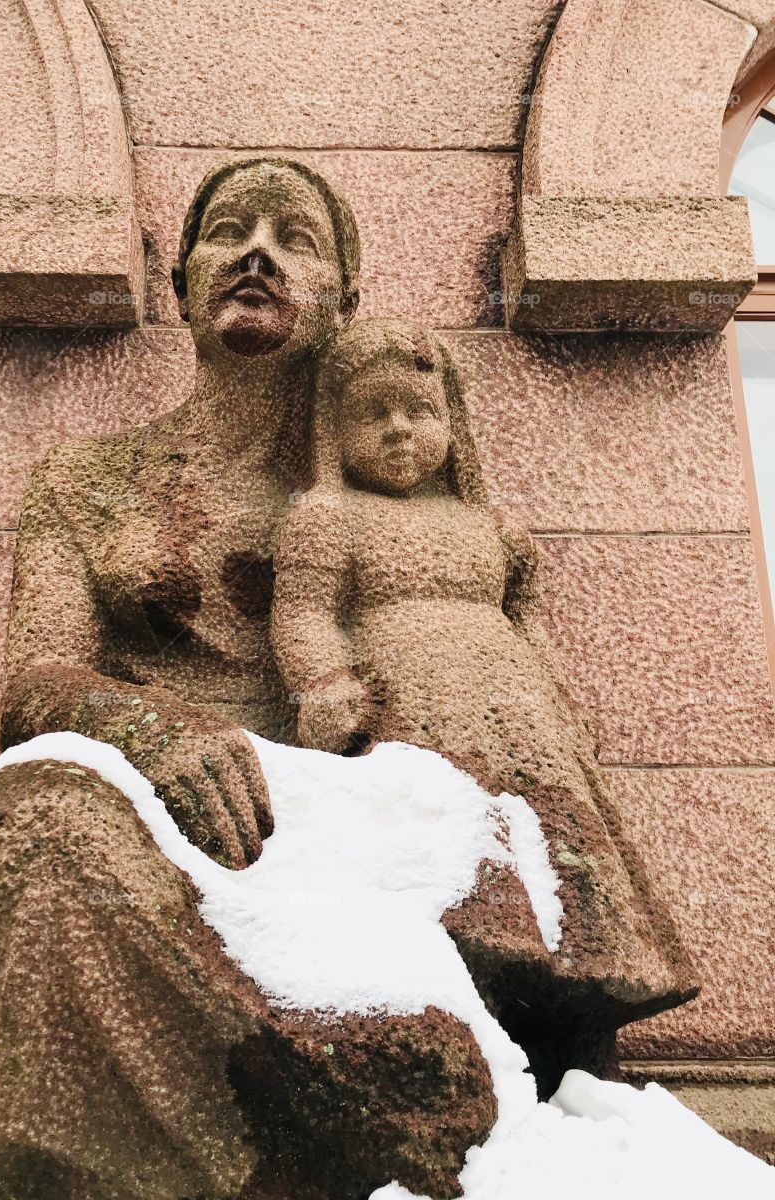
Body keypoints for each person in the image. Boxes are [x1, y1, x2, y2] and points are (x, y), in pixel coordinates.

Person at [0, 162, 499, 1200]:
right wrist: (150, 726)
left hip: (327, 835)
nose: (258, 250)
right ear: (183, 283)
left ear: (345, 302)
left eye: (296, 237)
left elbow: (486, 659)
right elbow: (35, 682)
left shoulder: (387, 491)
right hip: (127, 804)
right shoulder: (84, 481)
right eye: (230, 230)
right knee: (36, 830)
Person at [271, 320, 697, 1087]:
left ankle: (578, 1038)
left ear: (452, 421)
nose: (399, 428)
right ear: (335, 431)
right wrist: (325, 683)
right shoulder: (328, 518)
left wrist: (560, 699)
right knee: (451, 875)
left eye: (418, 410)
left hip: (521, 720)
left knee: (555, 870)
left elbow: (524, 620)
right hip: (410, 716)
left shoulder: (490, 528)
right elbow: (303, 614)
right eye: (373, 413)